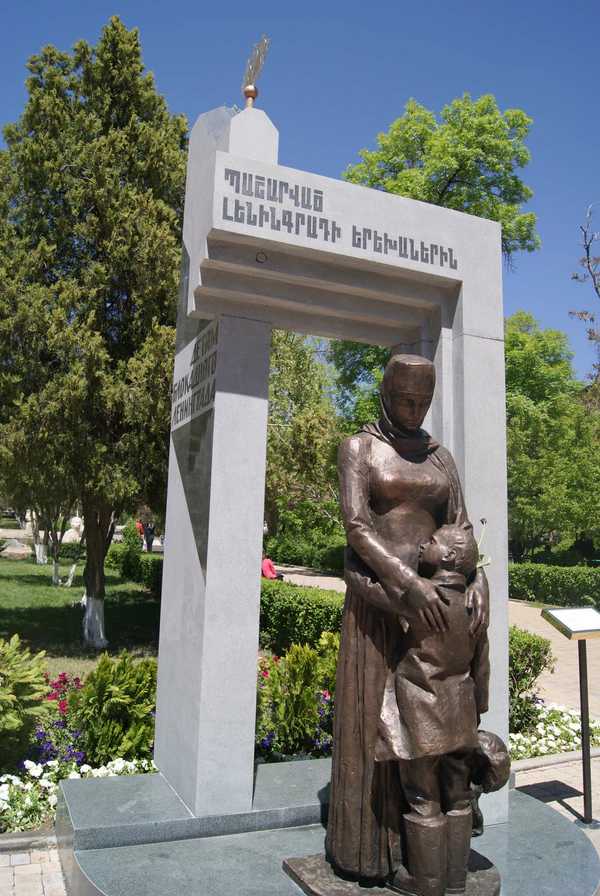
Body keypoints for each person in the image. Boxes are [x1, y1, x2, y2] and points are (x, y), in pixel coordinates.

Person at [326, 354, 490, 896]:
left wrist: (479, 585)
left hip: (438, 615)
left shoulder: (441, 458)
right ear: (386, 393)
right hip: (381, 608)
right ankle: (373, 851)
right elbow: (356, 527)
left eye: (423, 401)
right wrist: (405, 583)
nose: (414, 410)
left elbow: (461, 529)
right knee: (380, 728)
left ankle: (437, 870)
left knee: (441, 745)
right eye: (404, 400)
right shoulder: (360, 448)